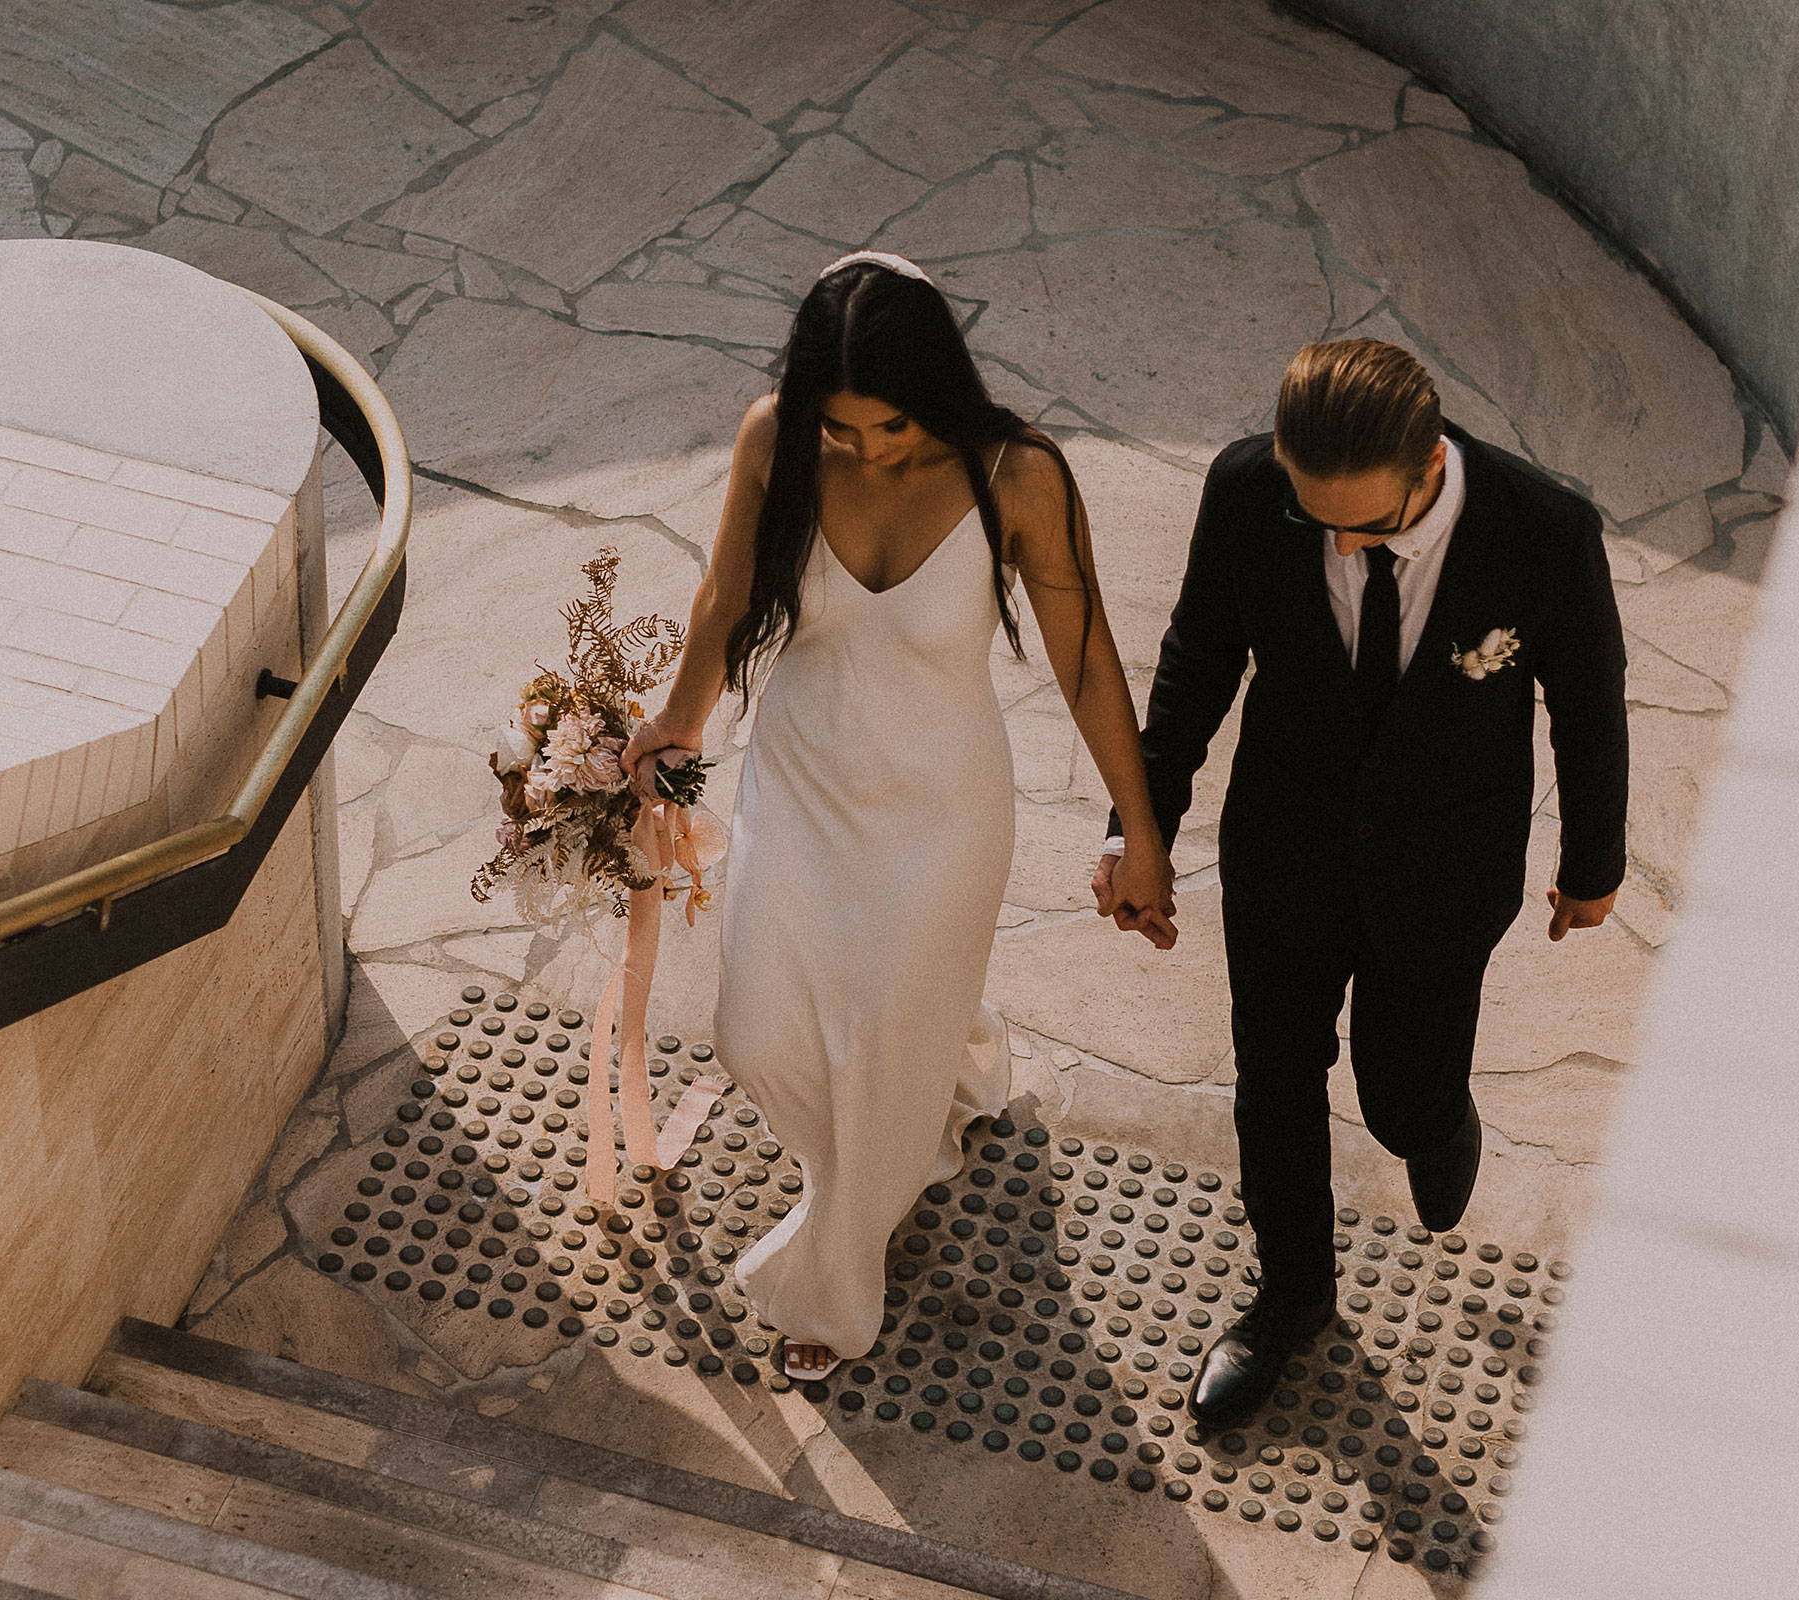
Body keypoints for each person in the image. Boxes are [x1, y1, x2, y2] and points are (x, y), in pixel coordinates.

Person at [622, 250, 1176, 1383]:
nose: (869, 451)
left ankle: (834, 1280)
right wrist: (674, 725)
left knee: (876, 1052)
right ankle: (955, 1073)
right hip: (804, 782)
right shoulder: (776, 438)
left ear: (940, 395)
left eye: (894, 430)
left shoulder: (1017, 475)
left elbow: (1085, 658)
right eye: (846, 431)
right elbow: (728, 598)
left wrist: (1142, 822)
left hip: (944, 812)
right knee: (756, 1034)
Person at [1093, 339, 1628, 1430]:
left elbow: (1588, 697)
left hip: (1445, 870)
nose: (1334, 539)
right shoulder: (1249, 491)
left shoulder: (1543, 530)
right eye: (1312, 513)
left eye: (1363, 524)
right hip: (1284, 853)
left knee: (1399, 1096)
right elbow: (1199, 657)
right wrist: (1137, 828)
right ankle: (1291, 1300)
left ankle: (1438, 1115)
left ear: (1429, 464)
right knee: (1273, 1081)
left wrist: (1593, 863)